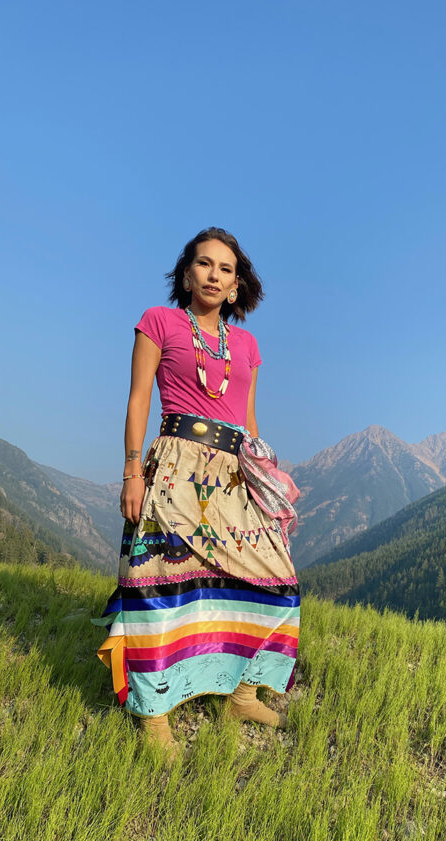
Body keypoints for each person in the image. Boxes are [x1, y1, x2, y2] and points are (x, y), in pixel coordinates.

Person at [94, 227, 300, 755]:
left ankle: (244, 693)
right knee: (160, 586)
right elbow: (138, 399)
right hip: (174, 466)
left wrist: (265, 481)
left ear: (236, 286)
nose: (214, 274)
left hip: (234, 473)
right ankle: (153, 709)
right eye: (204, 264)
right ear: (186, 275)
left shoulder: (248, 345)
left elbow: (250, 423)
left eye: (225, 269)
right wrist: (131, 471)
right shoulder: (158, 322)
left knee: (275, 582)